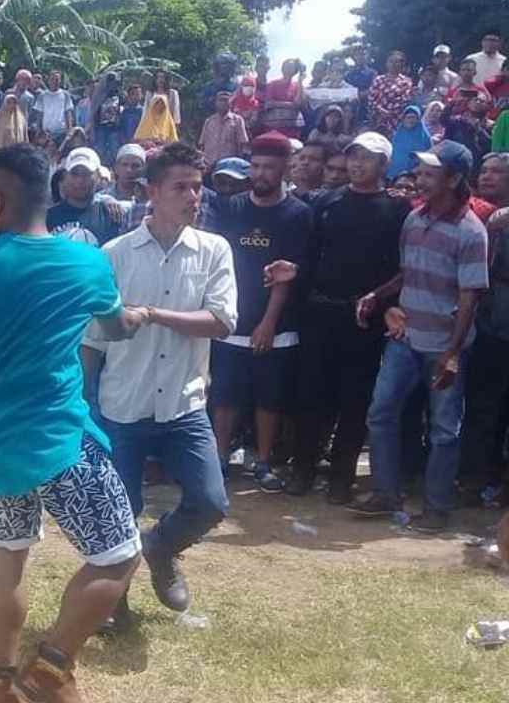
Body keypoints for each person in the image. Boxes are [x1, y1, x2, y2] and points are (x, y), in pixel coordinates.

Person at [0, 144, 141, 702]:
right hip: (59, 440)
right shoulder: (87, 263)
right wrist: (135, 316)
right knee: (119, 554)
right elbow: (115, 327)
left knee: (10, 553)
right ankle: (49, 669)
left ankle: (2, 684)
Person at [82, 141, 237, 629]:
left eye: (198, 186)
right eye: (181, 187)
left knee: (210, 502)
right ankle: (113, 602)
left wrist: (150, 314)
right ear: (152, 192)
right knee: (119, 512)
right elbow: (92, 338)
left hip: (184, 402)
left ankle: (163, 546)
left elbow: (221, 321)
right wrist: (83, 405)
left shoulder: (213, 250)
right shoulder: (114, 255)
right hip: (122, 404)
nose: (194, 196)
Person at [349, 140, 488, 533]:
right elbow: (408, 272)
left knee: (445, 429)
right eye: (421, 172)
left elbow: (470, 295)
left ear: (455, 178)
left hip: (445, 345)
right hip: (406, 338)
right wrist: (378, 295)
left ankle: (437, 507)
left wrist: (453, 352)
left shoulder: (471, 232)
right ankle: (385, 493)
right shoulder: (414, 219)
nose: (420, 179)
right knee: (380, 413)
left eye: (430, 173)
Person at [283, 132, 410, 500]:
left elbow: (405, 268)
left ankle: (341, 478)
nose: (357, 164)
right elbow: (309, 255)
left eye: (367, 158)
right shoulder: (327, 202)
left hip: (365, 319)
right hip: (320, 311)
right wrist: (293, 273)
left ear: (384, 165)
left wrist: (382, 301)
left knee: (354, 400)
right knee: (311, 395)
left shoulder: (398, 211)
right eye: (353, 156)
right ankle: (302, 471)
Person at [206, 131, 312, 492]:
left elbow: (286, 273)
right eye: (256, 165)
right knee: (224, 394)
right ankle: (219, 458)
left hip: (275, 325)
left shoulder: (298, 213)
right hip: (232, 318)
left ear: (284, 168)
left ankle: (263, 462)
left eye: (269, 166)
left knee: (269, 398)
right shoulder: (230, 207)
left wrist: (268, 323)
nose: (261, 173)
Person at [460, 153, 509, 501]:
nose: (488, 177)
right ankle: (475, 478)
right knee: (481, 403)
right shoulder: (472, 213)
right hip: (483, 323)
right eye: (485, 171)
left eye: (498, 172)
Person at [45, 147, 123, 245]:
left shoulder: (111, 214)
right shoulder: (48, 217)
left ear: (98, 176)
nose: (80, 180)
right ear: (65, 176)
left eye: (86, 174)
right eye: (74, 174)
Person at [367, 51, 415, 136]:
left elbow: (405, 101)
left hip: (397, 119)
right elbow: (371, 99)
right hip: (378, 118)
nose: (394, 64)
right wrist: (381, 110)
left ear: (402, 64)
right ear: (387, 63)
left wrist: (389, 113)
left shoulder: (406, 82)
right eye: (391, 61)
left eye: (397, 62)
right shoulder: (378, 80)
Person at [200, 90, 249, 167]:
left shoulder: (238, 120)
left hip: (229, 167)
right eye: (220, 100)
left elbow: (243, 144)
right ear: (216, 103)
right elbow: (202, 145)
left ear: (230, 103)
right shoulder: (209, 121)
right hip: (209, 165)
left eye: (226, 100)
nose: (223, 103)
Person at [261, 59, 305, 138]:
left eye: (291, 67)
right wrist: (290, 105)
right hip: (273, 128)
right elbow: (268, 104)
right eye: (286, 66)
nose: (288, 68)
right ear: (282, 68)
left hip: (292, 129)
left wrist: (300, 81)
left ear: (295, 70)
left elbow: (298, 104)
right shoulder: (272, 84)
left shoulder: (298, 86)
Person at [388, 105, 432, 180]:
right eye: (408, 117)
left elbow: (429, 156)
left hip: (415, 175)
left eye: (414, 117)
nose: (411, 120)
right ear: (403, 119)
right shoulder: (398, 135)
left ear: (418, 120)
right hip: (394, 175)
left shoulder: (424, 136)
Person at [33, 71, 73, 144]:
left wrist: (69, 132)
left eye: (57, 79)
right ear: (48, 81)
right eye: (52, 79)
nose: (54, 82)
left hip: (61, 133)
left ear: (60, 81)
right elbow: (40, 114)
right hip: (46, 133)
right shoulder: (42, 96)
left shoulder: (65, 95)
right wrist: (38, 131)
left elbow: (68, 113)